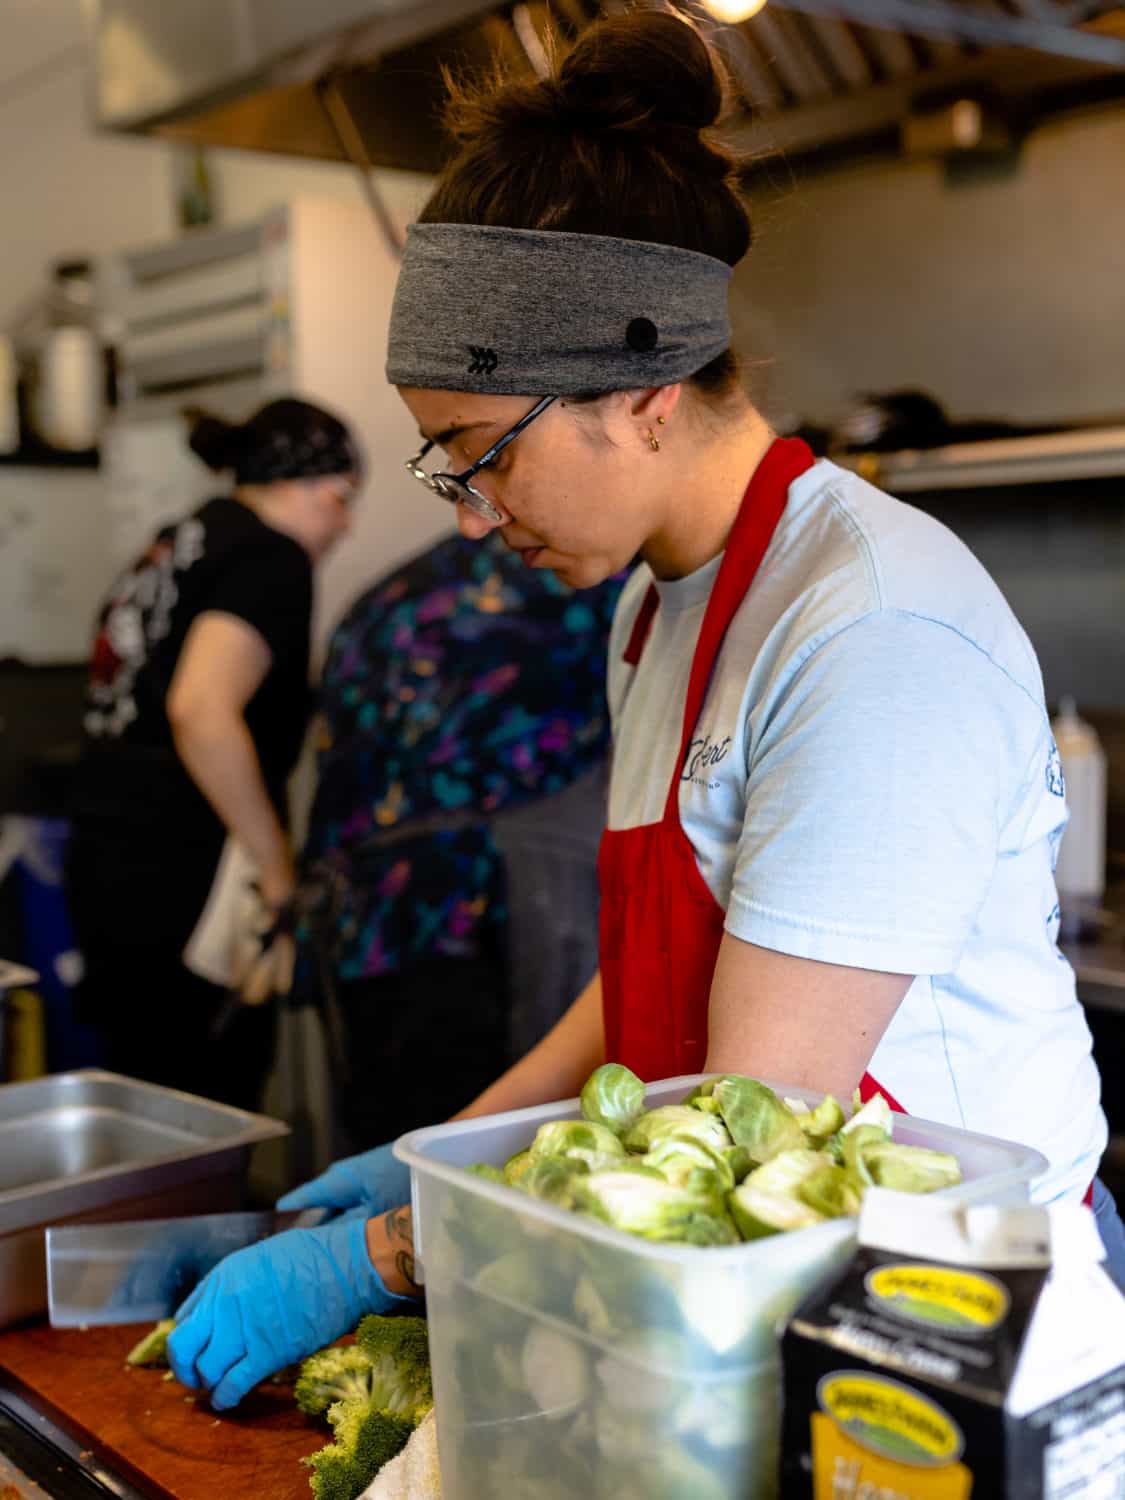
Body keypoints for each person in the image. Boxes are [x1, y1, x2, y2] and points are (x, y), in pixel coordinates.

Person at [166, 11, 1125, 1410]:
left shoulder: (864, 630)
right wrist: (447, 1147)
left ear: (645, 392)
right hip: (763, 1280)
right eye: (445, 469)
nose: (476, 515)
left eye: (483, 457)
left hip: (952, 1315)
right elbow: (652, 979)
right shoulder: (653, 607)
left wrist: (386, 1251)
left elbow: (758, 1115)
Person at [67, 397, 359, 1110]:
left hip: (108, 857)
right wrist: (278, 873)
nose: (344, 524)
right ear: (314, 485)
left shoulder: (182, 538)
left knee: (141, 1099)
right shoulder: (270, 555)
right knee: (203, 1106)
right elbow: (200, 711)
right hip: (182, 878)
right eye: (343, 500)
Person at [297, 528, 624, 1152]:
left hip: (360, 915)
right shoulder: (587, 580)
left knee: (392, 1144)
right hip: (459, 912)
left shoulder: (416, 580)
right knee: (464, 1164)